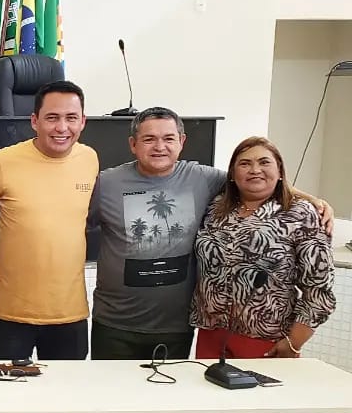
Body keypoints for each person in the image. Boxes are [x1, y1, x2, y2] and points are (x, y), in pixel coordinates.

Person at [89, 108, 336, 360]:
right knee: (112, 397)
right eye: (149, 139)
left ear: (182, 142)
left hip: (177, 326)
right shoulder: (106, 183)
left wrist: (313, 199)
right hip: (115, 323)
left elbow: (258, 180)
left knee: (171, 397)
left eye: (169, 138)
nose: (159, 146)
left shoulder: (202, 178)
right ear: (133, 144)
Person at [0, 80, 97, 360]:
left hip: (70, 315)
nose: (62, 127)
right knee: (9, 398)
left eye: (71, 118)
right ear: (34, 121)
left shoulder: (90, 159)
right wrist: (2, 236)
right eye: (52, 118)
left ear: (83, 122)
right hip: (11, 314)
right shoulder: (4, 161)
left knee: (65, 402)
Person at [191, 136, 335, 358]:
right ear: (232, 174)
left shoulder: (301, 214)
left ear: (279, 171)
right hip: (210, 333)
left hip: (265, 338)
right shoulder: (216, 208)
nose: (254, 169)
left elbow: (319, 289)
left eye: (264, 162)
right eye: (245, 163)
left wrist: (294, 342)